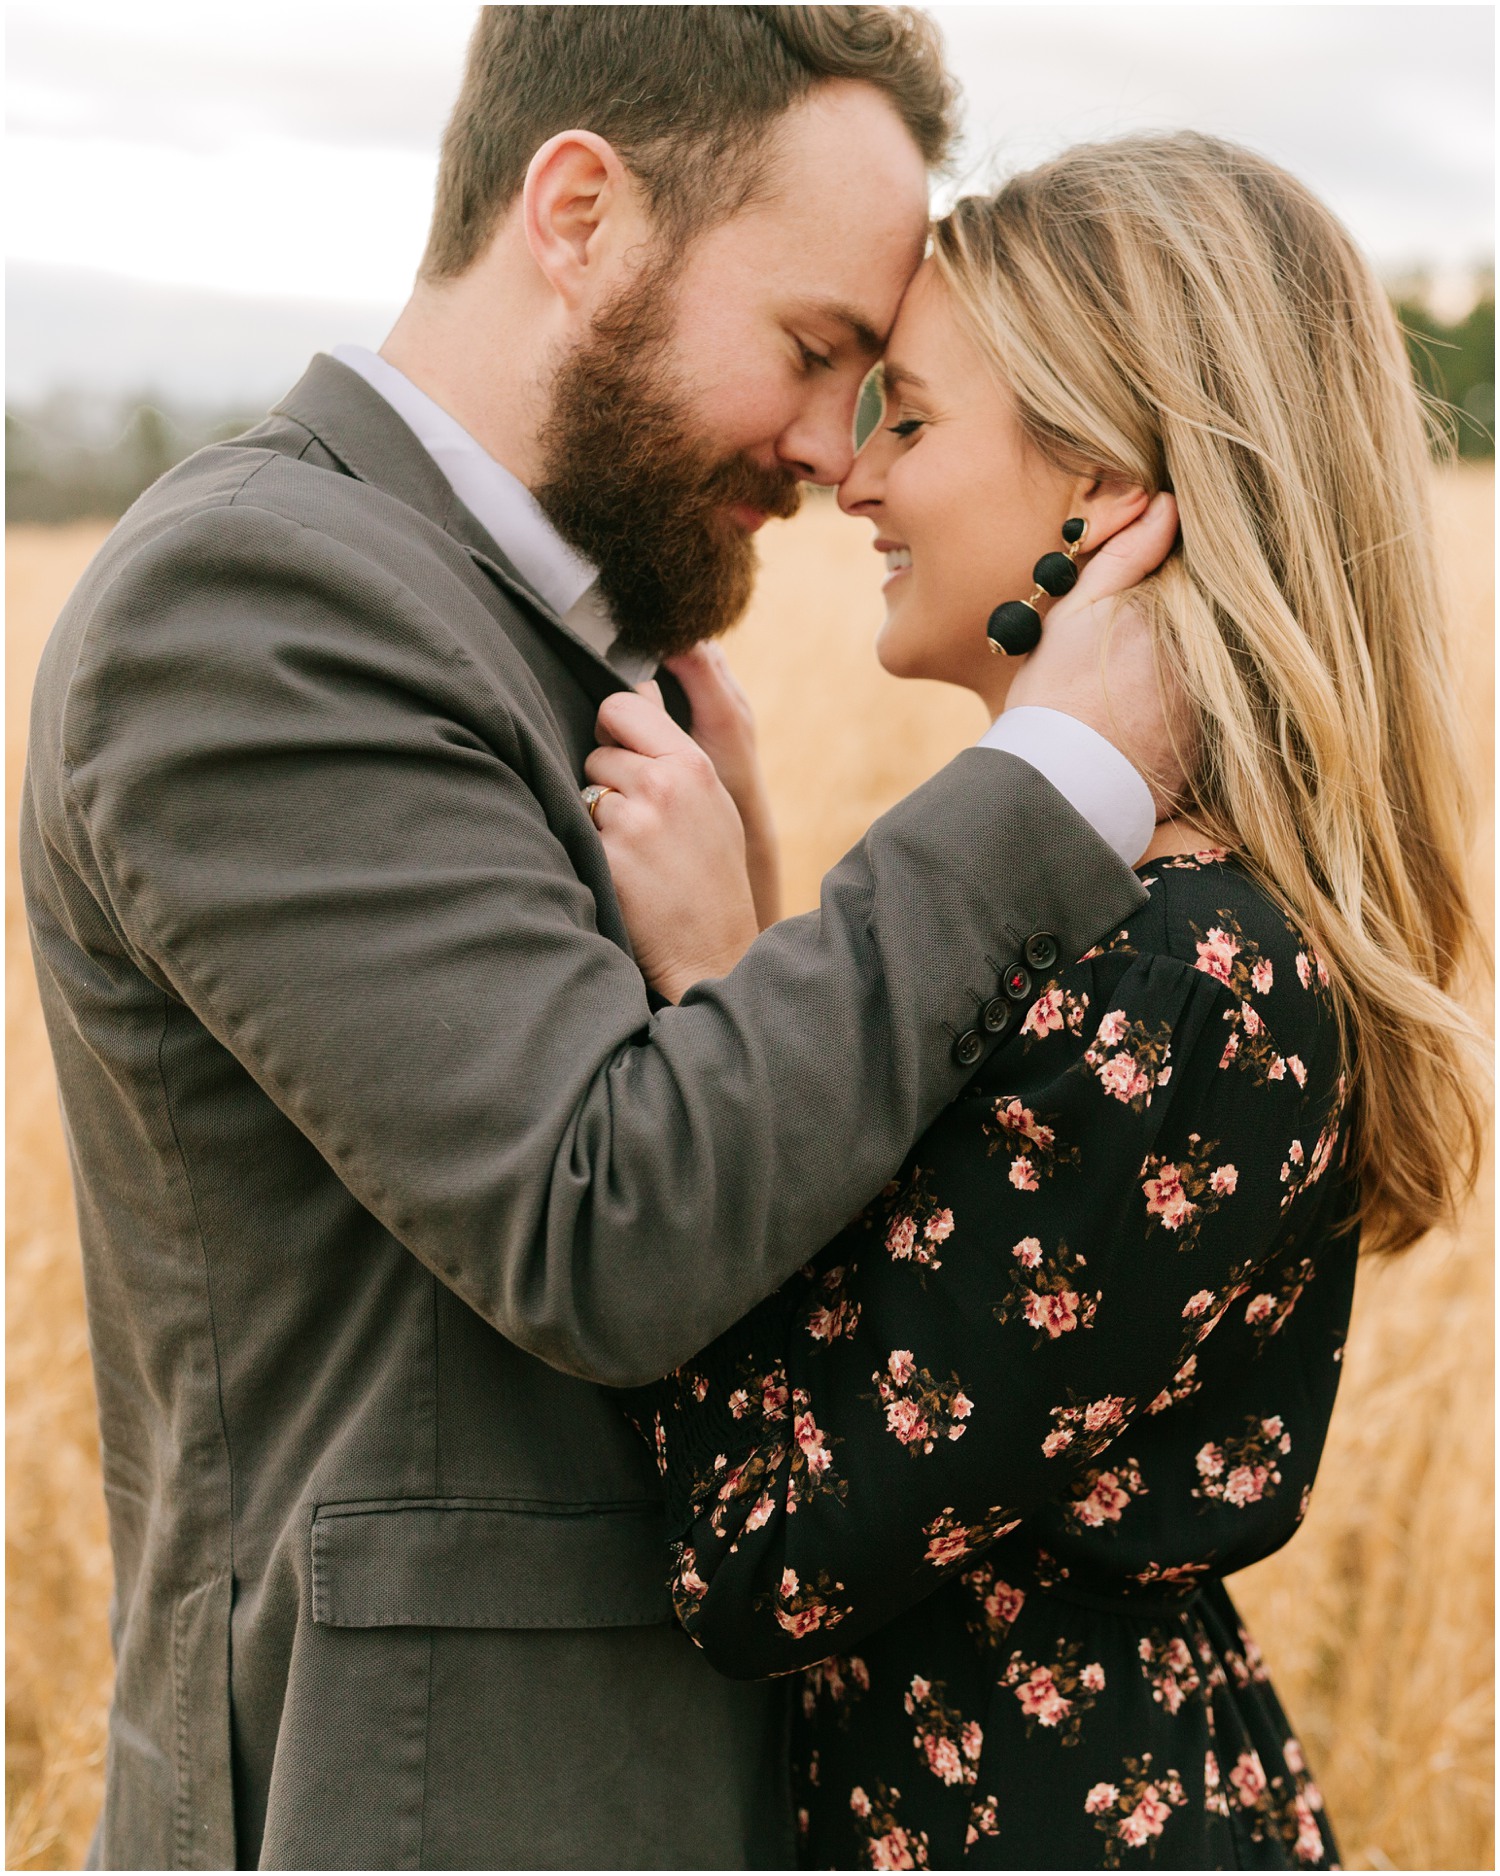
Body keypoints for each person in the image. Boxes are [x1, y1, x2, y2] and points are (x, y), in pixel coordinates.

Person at [20, 11, 1184, 1870]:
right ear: (579, 213)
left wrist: (753, 953)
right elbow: (602, 1218)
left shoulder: (551, 638)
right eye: (810, 351)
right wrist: (1056, 776)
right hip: (433, 1806)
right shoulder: (257, 602)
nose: (830, 450)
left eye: (875, 381)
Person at [595, 133, 1486, 1869]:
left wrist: (712, 1001)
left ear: (1097, 486)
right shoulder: (1137, 928)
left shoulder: (1177, 983)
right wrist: (777, 950)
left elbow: (768, 1539)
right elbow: (904, 1319)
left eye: (908, 420)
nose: (855, 486)